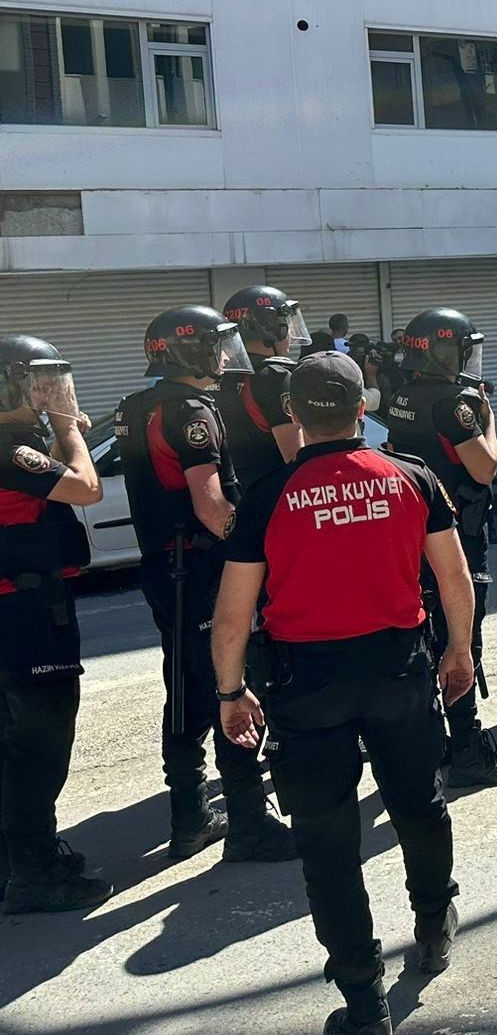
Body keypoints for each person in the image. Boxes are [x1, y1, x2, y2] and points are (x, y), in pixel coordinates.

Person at [211, 353, 466, 1035]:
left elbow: (233, 614)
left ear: (293, 413)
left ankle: (363, 1000)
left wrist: (230, 691)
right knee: (417, 803)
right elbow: (453, 578)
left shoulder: (266, 495)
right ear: (362, 408)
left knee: (326, 843)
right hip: (398, 670)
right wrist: (460, 648)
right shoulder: (414, 477)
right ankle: (435, 919)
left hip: (306, 683)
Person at [114, 307, 297, 863]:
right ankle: (247, 823)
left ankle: (190, 814)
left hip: (163, 568)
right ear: (187, 351)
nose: (225, 355)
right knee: (229, 681)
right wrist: (256, 552)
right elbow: (212, 505)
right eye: (216, 346)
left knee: (184, 686)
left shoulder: (135, 405)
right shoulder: (190, 409)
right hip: (201, 568)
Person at [384, 309, 497, 789]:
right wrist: (488, 419)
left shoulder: (402, 394)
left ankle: (438, 744)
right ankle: (467, 751)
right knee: (461, 637)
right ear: (447, 352)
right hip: (458, 533)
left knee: (428, 639)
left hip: (415, 533)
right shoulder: (457, 404)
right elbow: (486, 468)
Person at [0, 336, 112, 914]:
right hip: (26, 614)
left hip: (17, 606)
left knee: (11, 743)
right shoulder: (12, 446)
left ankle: (15, 861)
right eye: (40, 380)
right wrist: (68, 427)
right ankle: (36, 874)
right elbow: (87, 489)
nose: (53, 389)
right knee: (40, 744)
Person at [218, 285, 311, 484]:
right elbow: (296, 458)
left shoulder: (222, 376)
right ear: (269, 327)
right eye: (286, 326)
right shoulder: (274, 377)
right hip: (274, 495)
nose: (291, 336)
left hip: (241, 494)